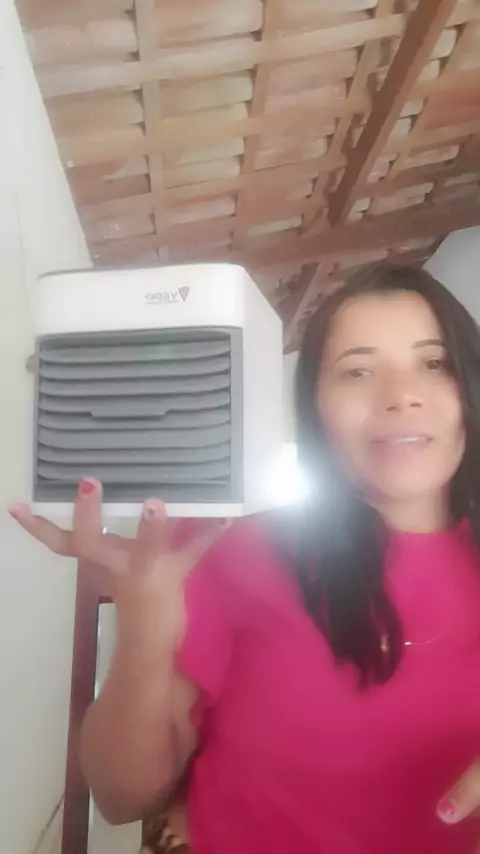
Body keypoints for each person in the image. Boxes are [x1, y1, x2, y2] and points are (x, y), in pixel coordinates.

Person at [10, 263, 480, 854]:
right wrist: (146, 624)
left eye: (434, 362)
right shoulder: (230, 545)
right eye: (357, 370)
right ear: (314, 408)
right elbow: (119, 797)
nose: (400, 396)